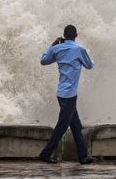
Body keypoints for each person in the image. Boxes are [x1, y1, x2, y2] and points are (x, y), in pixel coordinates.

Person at [38, 24, 97, 164]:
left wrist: (52, 45)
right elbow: (90, 65)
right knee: (62, 126)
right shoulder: (79, 50)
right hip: (70, 95)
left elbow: (43, 61)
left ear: (63, 36)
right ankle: (45, 154)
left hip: (61, 93)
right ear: (76, 35)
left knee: (76, 125)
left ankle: (83, 156)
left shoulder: (57, 49)